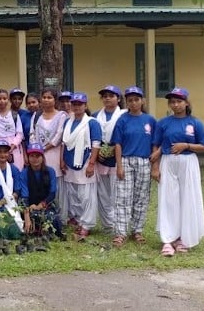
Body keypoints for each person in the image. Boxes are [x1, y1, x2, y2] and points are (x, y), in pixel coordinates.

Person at [153, 87, 204, 257]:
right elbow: (157, 144)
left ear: (186, 103)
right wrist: (155, 167)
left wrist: (186, 145)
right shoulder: (163, 123)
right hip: (168, 162)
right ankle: (168, 240)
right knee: (168, 199)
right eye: (172, 102)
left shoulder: (195, 123)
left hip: (188, 162)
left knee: (188, 198)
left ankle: (184, 238)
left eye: (179, 101)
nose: (175, 105)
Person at [110, 86, 156, 247]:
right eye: (130, 100)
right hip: (126, 160)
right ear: (127, 102)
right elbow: (118, 144)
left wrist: (154, 165)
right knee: (123, 197)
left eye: (137, 99)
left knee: (141, 197)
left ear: (142, 101)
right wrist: (119, 166)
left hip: (144, 161)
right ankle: (121, 232)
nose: (134, 103)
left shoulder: (150, 120)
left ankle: (137, 230)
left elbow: (154, 145)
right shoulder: (122, 120)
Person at [61, 92, 102, 242]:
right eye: (74, 104)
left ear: (85, 105)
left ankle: (86, 224)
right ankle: (77, 219)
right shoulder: (68, 122)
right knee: (73, 193)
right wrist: (62, 160)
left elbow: (96, 144)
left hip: (84, 161)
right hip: (70, 161)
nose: (76, 107)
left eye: (80, 104)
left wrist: (91, 164)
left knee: (86, 196)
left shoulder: (92, 123)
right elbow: (64, 143)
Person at [29, 88, 68, 218]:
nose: (46, 99)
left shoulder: (62, 115)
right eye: (44, 97)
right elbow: (32, 133)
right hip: (38, 155)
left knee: (56, 184)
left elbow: (59, 135)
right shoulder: (36, 115)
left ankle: (60, 216)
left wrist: (44, 148)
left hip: (54, 153)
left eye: (49, 97)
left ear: (55, 100)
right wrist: (36, 149)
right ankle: (44, 214)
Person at [93, 85, 125, 235]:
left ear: (118, 98)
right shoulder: (95, 116)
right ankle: (107, 225)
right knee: (102, 193)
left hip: (117, 158)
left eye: (111, 96)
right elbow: (92, 137)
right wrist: (98, 152)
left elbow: (128, 136)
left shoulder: (124, 115)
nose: (107, 98)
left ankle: (118, 225)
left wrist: (114, 149)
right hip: (100, 158)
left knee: (117, 193)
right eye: (105, 96)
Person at [20, 143, 64, 240]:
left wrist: (40, 205)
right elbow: (24, 196)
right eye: (32, 156)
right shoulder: (24, 173)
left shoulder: (50, 171)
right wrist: (27, 216)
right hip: (30, 207)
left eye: (38, 156)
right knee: (32, 217)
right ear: (28, 157)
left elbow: (52, 193)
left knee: (54, 220)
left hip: (46, 205)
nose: (35, 159)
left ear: (42, 157)